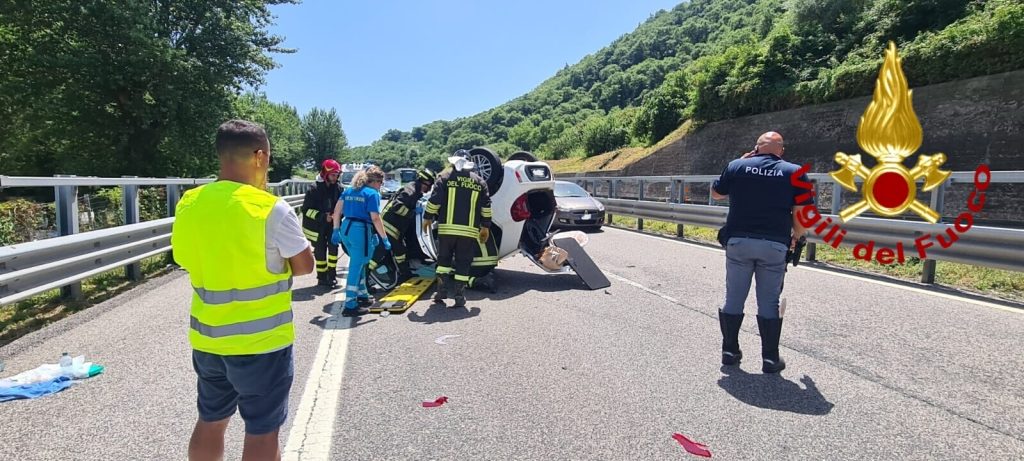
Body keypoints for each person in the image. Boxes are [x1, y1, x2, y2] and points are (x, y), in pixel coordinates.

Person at [170, 119, 315, 461]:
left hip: (208, 339)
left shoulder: (189, 203)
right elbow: (306, 266)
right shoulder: (268, 207)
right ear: (260, 156)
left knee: (210, 420)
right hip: (263, 343)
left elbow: (184, 258)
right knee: (262, 430)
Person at [710, 131, 811, 374]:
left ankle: (730, 352)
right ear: (781, 151)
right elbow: (801, 213)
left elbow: (716, 193)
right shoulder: (795, 172)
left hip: (738, 242)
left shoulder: (737, 166)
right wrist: (796, 237)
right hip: (774, 244)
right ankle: (770, 359)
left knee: (734, 297)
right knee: (769, 301)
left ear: (756, 148)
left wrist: (742, 161)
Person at [422, 149, 492, 308]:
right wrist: (485, 227)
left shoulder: (444, 178)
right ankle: (459, 296)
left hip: (446, 230)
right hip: (468, 232)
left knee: (443, 261)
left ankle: (441, 292)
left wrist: (427, 217)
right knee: (463, 263)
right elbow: (486, 207)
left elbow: (434, 201)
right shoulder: (479, 182)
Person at [330, 166, 390, 316]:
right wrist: (384, 238)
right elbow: (375, 218)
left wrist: (336, 230)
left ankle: (362, 294)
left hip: (346, 228)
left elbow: (337, 211)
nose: (381, 185)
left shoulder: (349, 190)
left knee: (361, 262)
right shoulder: (372, 194)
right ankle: (350, 304)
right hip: (360, 230)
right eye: (381, 182)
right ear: (374, 181)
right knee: (357, 266)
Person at [369, 168, 436, 282]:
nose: (429, 189)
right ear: (423, 182)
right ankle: (365, 276)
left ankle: (404, 274)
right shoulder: (411, 190)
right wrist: (412, 213)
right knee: (382, 253)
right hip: (388, 227)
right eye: (428, 186)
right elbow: (397, 206)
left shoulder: (415, 190)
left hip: (393, 229)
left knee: (400, 251)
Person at [302, 159, 343, 288]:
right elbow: (306, 210)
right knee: (320, 251)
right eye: (333, 175)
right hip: (317, 226)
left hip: (333, 225)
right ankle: (322, 277)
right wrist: (322, 216)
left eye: (337, 175)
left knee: (333, 248)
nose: (335, 178)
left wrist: (338, 215)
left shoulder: (339, 188)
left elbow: (343, 206)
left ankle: (332, 275)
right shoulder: (313, 189)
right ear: (325, 174)